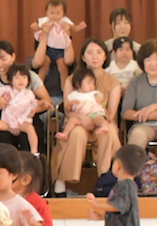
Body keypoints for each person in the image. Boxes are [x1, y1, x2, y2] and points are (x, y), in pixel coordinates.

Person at [52, 39, 122, 196]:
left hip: (102, 120)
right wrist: (82, 118)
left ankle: (105, 179)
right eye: (90, 53)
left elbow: (111, 113)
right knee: (75, 133)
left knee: (108, 131)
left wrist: (98, 112)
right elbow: (68, 109)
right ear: (83, 57)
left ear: (105, 56)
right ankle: (63, 181)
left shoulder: (113, 82)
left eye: (99, 52)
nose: (94, 57)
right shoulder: (72, 80)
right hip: (77, 121)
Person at [30, 0, 86, 84]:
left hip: (61, 49)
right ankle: (38, 86)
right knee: (44, 66)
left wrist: (79, 27)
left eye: (58, 13)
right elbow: (39, 28)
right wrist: (35, 28)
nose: (54, 16)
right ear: (46, 13)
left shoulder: (65, 21)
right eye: (51, 13)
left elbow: (74, 28)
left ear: (63, 14)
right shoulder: (45, 21)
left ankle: (64, 87)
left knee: (63, 67)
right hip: (47, 49)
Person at [0, 65, 39, 154]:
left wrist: (36, 108)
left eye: (24, 77)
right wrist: (0, 100)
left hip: (22, 122)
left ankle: (34, 150)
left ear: (28, 80)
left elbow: (34, 104)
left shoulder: (29, 94)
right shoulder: (7, 90)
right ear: (11, 80)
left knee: (30, 128)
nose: (20, 80)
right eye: (17, 78)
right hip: (7, 122)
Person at [56, 69, 113, 140]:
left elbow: (101, 106)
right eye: (89, 83)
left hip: (94, 113)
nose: (92, 86)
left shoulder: (94, 94)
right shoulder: (73, 95)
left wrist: (108, 115)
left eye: (93, 83)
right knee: (72, 120)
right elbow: (68, 110)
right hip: (80, 117)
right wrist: (70, 104)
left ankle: (104, 125)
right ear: (78, 84)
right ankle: (65, 133)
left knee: (99, 118)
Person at [122, 39, 157, 150]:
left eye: (156, 59)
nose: (153, 64)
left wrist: (152, 107)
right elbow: (126, 112)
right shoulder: (135, 82)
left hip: (142, 120)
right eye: (148, 60)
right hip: (144, 126)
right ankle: (134, 167)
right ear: (142, 62)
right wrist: (145, 115)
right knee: (138, 135)